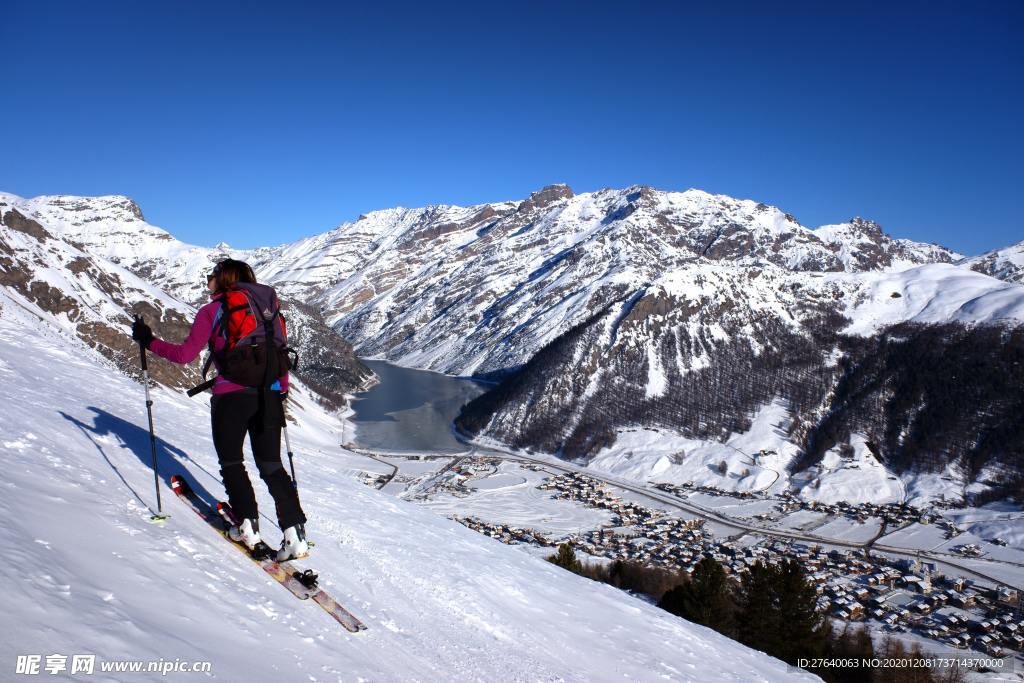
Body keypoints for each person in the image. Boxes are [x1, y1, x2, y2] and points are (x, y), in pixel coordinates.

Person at [131, 259, 308, 561]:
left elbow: (185, 355)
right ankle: (295, 536)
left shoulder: (212, 311)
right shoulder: (269, 312)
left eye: (211, 275)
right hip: (269, 395)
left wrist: (147, 340)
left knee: (232, 462)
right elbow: (278, 356)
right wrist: (280, 392)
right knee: (272, 466)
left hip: (231, 398)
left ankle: (247, 526)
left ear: (224, 279)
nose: (208, 279)